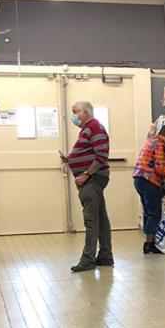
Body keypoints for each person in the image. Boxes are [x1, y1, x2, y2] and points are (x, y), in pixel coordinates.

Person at [62, 101, 112, 273]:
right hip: (92, 179)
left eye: (75, 112)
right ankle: (105, 255)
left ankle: (88, 258)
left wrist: (86, 174)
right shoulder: (87, 129)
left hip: (92, 180)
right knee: (100, 217)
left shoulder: (94, 127)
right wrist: (71, 159)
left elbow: (101, 155)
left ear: (86, 112)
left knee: (91, 220)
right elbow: (90, 152)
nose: (73, 116)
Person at [133, 124, 165, 254]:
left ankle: (148, 242)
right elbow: (160, 168)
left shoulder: (152, 141)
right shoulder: (160, 145)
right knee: (154, 213)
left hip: (139, 179)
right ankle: (149, 244)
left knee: (148, 212)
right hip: (150, 180)